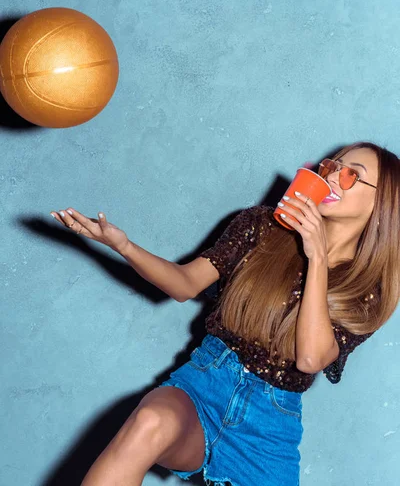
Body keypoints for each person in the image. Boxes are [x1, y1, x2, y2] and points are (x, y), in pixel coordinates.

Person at [50, 141, 400, 486]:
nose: (333, 177)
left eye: (352, 175)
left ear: (380, 204)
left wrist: (318, 257)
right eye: (331, 167)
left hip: (268, 427)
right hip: (204, 382)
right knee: (150, 421)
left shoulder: (368, 290)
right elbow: (185, 284)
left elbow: (310, 359)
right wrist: (122, 245)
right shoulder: (261, 227)